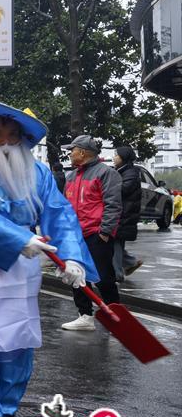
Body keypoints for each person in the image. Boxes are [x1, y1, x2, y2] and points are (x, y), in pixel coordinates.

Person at [0, 102, 96, 417]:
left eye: (12, 134)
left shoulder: (38, 172)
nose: (4, 140)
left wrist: (72, 257)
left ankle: (8, 403)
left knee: (19, 335)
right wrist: (16, 239)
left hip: (23, 266)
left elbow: (58, 212)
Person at [60, 134, 122, 332]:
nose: (70, 154)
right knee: (77, 276)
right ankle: (85, 315)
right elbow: (64, 206)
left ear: (83, 152)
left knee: (104, 278)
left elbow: (113, 205)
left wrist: (105, 232)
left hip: (96, 234)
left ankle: (117, 318)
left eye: (72, 150)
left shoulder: (105, 173)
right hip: (75, 235)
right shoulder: (71, 176)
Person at [112, 145, 142, 281]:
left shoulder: (130, 173)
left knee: (115, 244)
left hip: (124, 216)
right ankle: (131, 262)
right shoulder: (121, 171)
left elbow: (122, 190)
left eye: (116, 155)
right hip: (120, 214)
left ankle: (117, 275)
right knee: (115, 244)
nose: (114, 157)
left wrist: (108, 185)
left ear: (123, 157)